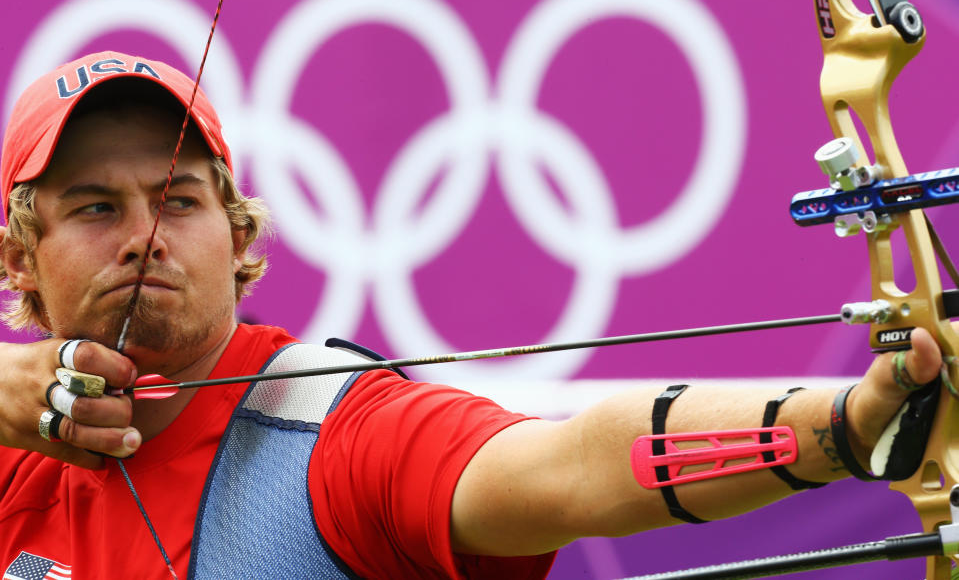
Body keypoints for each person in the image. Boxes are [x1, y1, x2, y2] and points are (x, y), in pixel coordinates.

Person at [0, 51, 945, 580]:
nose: (142, 237)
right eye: (93, 206)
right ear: (20, 261)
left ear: (236, 232)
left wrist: (841, 427)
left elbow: (566, 466)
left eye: (178, 200)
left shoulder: (330, 436)